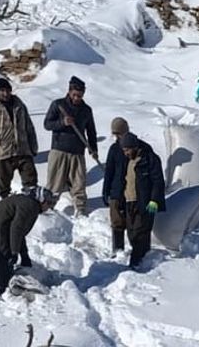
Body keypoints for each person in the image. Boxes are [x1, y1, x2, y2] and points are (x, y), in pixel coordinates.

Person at [0, 186, 57, 300]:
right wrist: (14, 252)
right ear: (42, 200)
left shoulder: (28, 203)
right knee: (0, 268)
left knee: (5, 265)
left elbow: (20, 232)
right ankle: (1, 296)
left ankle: (7, 290)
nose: (50, 207)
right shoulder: (30, 206)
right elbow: (16, 229)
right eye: (49, 203)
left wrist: (23, 254)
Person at [105, 132, 165, 269]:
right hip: (128, 201)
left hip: (144, 202)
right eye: (123, 150)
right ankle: (142, 257)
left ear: (134, 147)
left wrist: (154, 200)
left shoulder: (150, 159)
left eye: (127, 150)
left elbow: (158, 181)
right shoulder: (129, 161)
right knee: (132, 233)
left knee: (140, 233)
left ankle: (136, 264)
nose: (125, 153)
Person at [43, 76, 98, 216]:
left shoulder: (86, 110)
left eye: (79, 95)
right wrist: (62, 122)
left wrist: (94, 149)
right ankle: (48, 207)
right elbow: (47, 124)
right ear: (69, 91)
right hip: (59, 149)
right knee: (55, 183)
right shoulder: (58, 105)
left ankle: (80, 208)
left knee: (79, 183)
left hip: (78, 151)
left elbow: (91, 131)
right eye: (74, 95)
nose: (76, 98)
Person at [0, 79, 39, 199]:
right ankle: (5, 204)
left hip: (22, 148)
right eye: (2, 91)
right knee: (4, 183)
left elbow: (29, 125)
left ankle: (30, 201)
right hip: (3, 151)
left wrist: (33, 145)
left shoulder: (19, 104)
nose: (5, 93)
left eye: (7, 90)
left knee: (30, 178)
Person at [102, 117, 131, 252]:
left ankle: (135, 250)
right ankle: (118, 250)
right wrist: (106, 190)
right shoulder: (114, 149)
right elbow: (109, 171)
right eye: (115, 134)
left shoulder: (135, 147)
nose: (117, 137)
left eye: (119, 133)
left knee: (132, 223)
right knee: (117, 222)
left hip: (132, 191)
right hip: (116, 190)